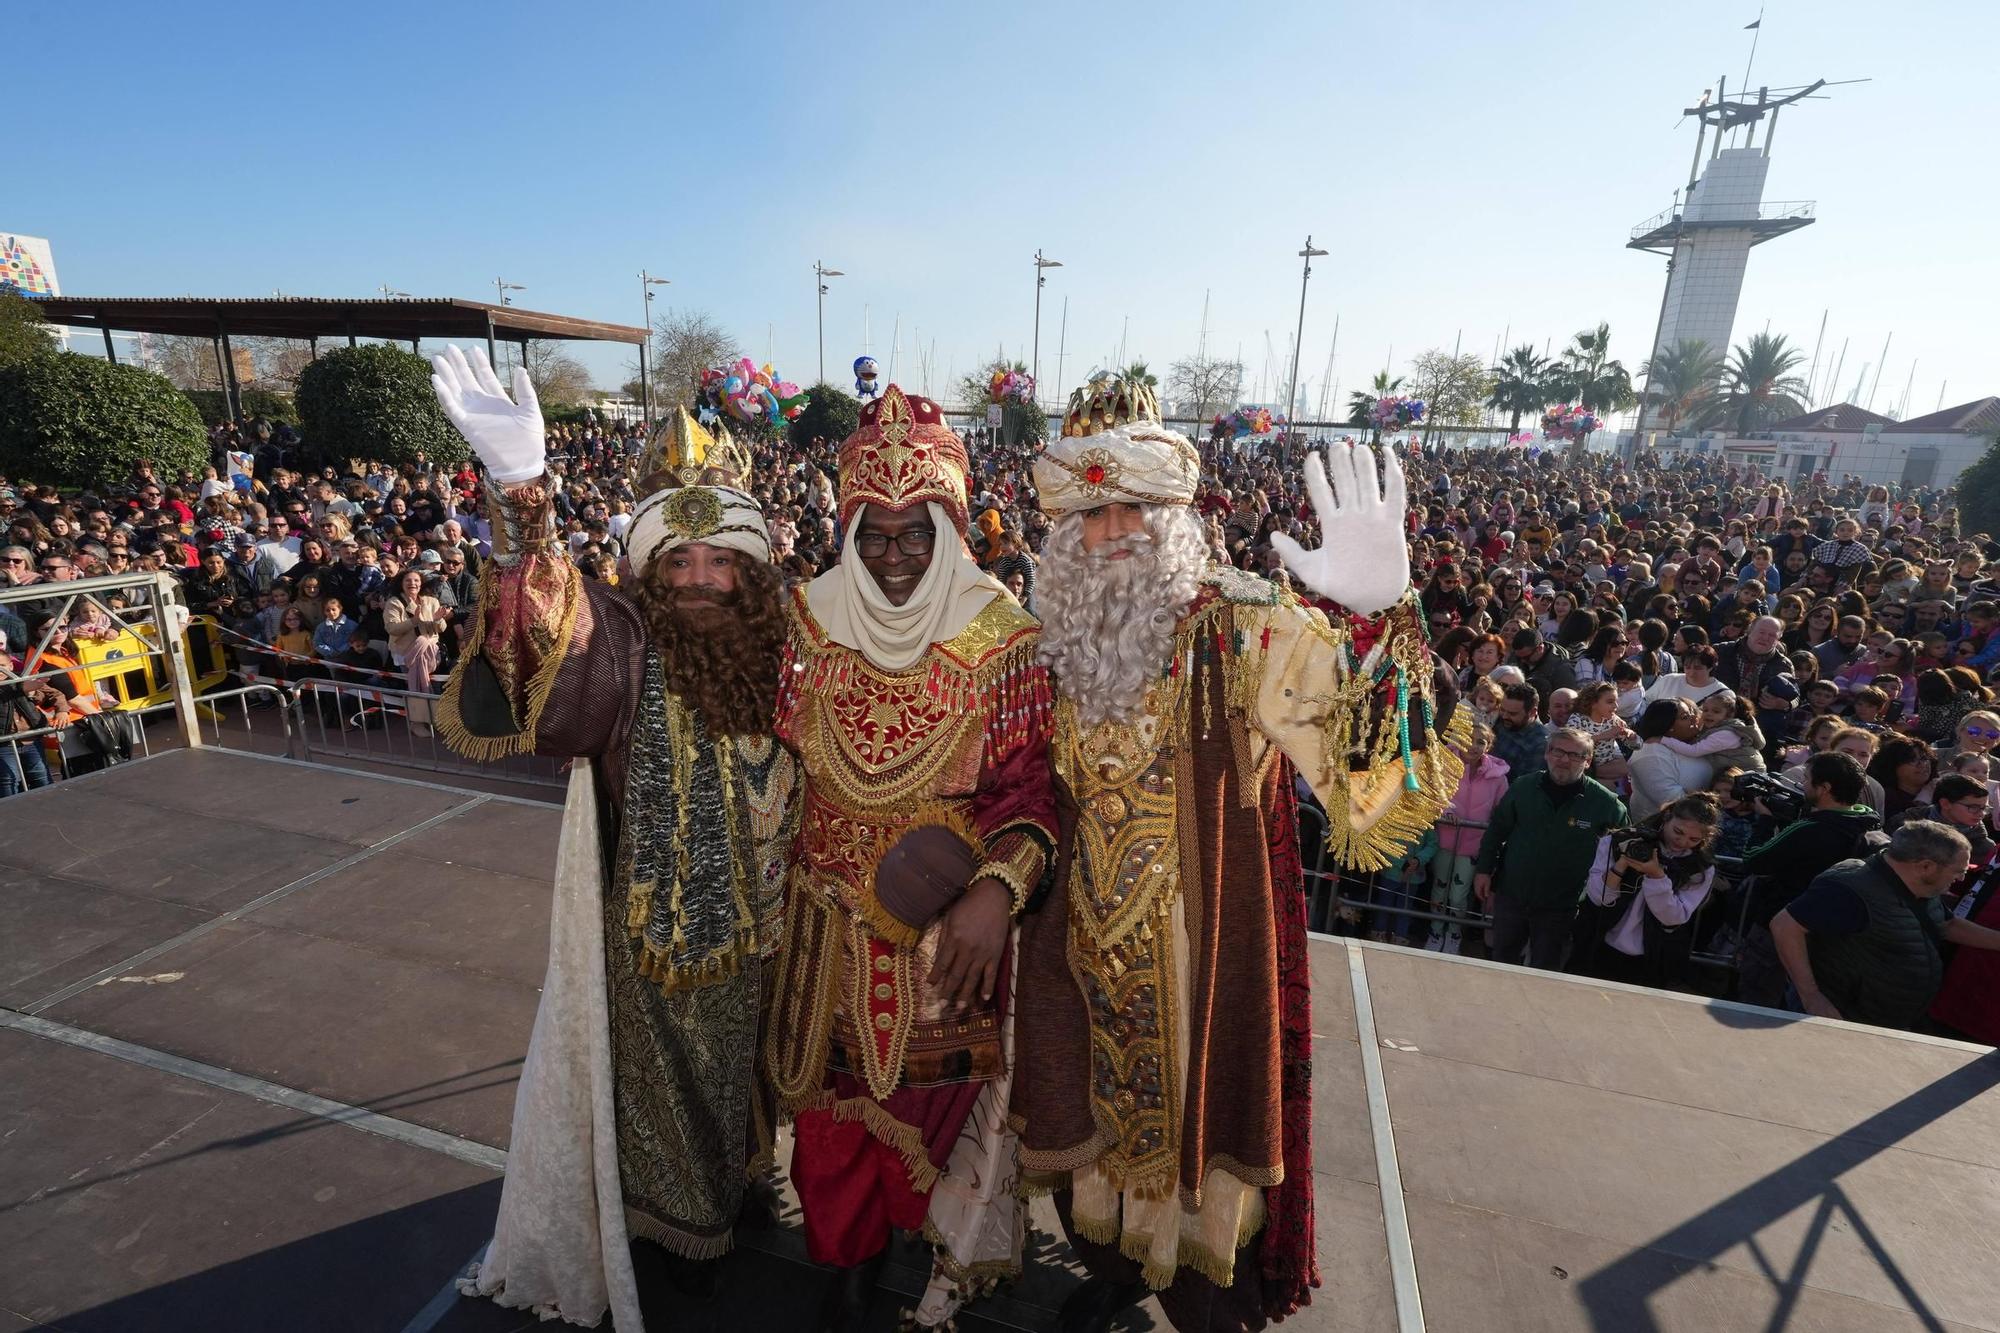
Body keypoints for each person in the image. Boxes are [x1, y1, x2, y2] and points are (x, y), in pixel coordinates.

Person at [1013, 381, 1459, 1332]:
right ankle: (1110, 1267)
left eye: (1138, 506)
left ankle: (1189, 1288)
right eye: (1092, 511)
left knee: (1198, 1175)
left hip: (1200, 963)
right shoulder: (1049, 638)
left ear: (1179, 515)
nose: (1114, 530)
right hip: (1077, 952)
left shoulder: (1248, 627)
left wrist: (1379, 619)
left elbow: (1361, 777)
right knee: (1082, 1140)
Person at [430, 352, 802, 1329]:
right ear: (647, 565)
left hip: (773, 927)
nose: (698, 579)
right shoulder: (627, 634)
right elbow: (551, 627)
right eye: (675, 561)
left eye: (718, 558)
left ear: (752, 562)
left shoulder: (789, 641)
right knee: (662, 1092)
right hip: (652, 926)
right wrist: (523, 497)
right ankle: (677, 1231)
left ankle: (740, 1187)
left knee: (748, 1079)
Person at [767, 385, 1057, 1332]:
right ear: (847, 529)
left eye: (915, 535)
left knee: (931, 1119)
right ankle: (842, 1260)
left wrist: (996, 890)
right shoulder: (809, 622)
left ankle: (904, 1247)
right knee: (823, 1114)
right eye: (874, 535)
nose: (893, 559)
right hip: (821, 924)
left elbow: (1030, 796)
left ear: (950, 530)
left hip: (941, 937)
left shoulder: (1002, 637)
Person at [1771, 821, 2000, 1029]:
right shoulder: (1849, 889)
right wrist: (1811, 996)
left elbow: (1946, 925)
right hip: (1843, 1023)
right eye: (1958, 871)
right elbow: (1784, 925)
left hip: (1886, 1023)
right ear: (1926, 866)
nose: (1960, 879)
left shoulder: (1921, 886)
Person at [1474, 729, 1626, 970]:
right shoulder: (1523, 787)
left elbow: (1621, 850)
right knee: (1501, 962)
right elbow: (1496, 831)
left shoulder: (1606, 804)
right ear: (1547, 753)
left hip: (1562, 904)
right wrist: (1484, 870)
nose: (1564, 760)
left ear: (1587, 762)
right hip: (1512, 894)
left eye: (1575, 755)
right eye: (1558, 751)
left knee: (1546, 969)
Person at [1571, 792, 1721, 988]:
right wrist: (1622, 863)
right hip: (1598, 943)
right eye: (1678, 832)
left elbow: (1673, 917)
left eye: (1694, 840)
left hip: (1653, 956)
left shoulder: (1700, 868)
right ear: (1667, 817)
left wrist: (1656, 876)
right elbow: (1598, 898)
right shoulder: (1619, 841)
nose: (1682, 842)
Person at [1431, 720, 1509, 954]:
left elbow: (1502, 810)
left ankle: (1454, 935)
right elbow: (1434, 794)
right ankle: (1435, 933)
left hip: (1473, 846)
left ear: (1489, 746)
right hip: (1444, 840)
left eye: (1481, 741)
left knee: (1458, 896)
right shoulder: (1443, 764)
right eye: (1468, 739)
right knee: (1439, 890)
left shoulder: (1498, 777)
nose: (1473, 746)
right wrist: (1446, 811)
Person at [1626, 699, 1713, 821]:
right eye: (1685, 717)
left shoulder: (1696, 743)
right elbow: (1671, 801)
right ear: (1668, 726)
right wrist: (1710, 798)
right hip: (1664, 829)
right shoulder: (1651, 753)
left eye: (1692, 712)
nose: (1694, 717)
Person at [1490, 681, 1550, 778]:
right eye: (1502, 710)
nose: (1505, 716)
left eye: (1512, 714)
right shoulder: (1499, 720)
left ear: (1532, 712)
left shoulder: (1541, 743)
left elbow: (1525, 784)